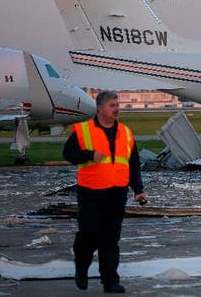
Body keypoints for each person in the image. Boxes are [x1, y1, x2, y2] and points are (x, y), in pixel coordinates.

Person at [63, 91, 146, 293]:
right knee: (89, 234)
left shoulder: (125, 132)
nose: (116, 108)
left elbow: (133, 162)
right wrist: (90, 155)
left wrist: (138, 189)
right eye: (111, 105)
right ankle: (81, 267)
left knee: (110, 239)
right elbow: (68, 154)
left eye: (117, 105)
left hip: (117, 192)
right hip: (91, 191)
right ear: (100, 109)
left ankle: (110, 281)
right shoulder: (84, 130)